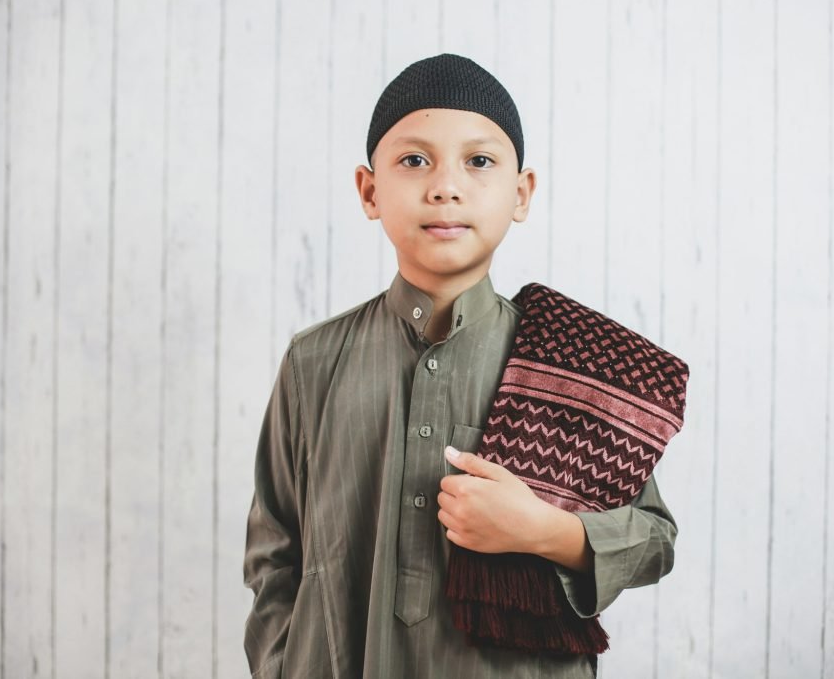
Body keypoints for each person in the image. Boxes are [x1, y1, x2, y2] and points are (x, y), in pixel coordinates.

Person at [243, 53, 678, 678]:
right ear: (369, 190)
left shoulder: (570, 363)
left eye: (479, 161)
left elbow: (654, 539)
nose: (445, 185)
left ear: (521, 194)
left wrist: (544, 530)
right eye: (414, 160)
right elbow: (273, 554)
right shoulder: (315, 361)